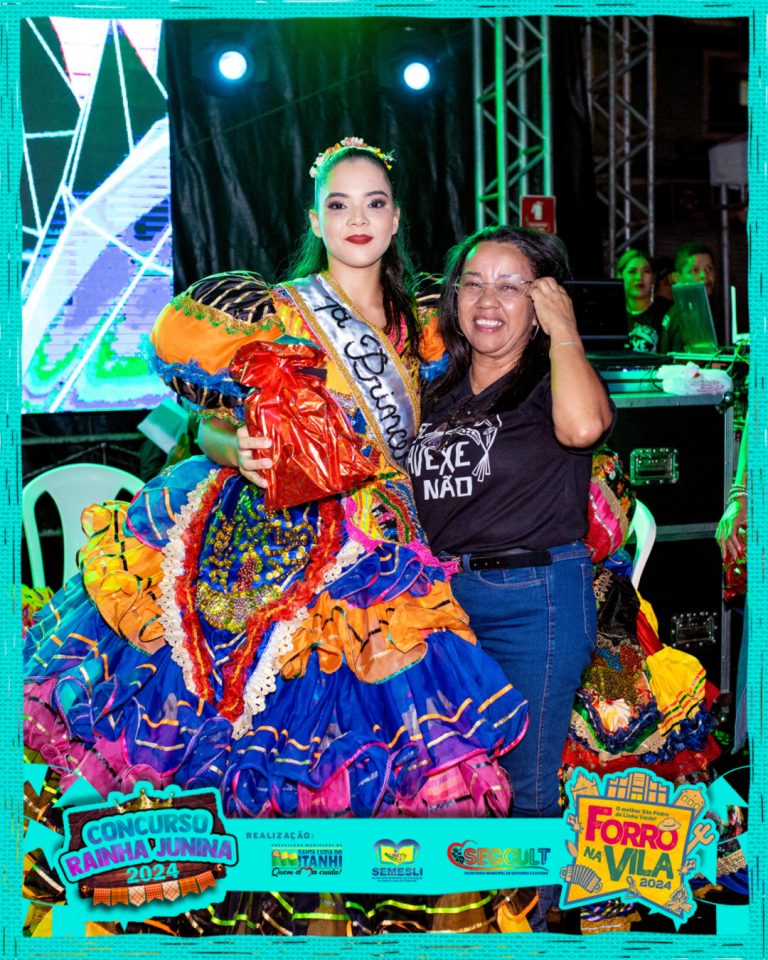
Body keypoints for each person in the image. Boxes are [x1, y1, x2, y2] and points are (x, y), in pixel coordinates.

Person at [23, 139, 529, 934]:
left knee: (364, 750)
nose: (357, 219)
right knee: (230, 734)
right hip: (261, 538)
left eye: (373, 203)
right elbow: (196, 426)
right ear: (315, 220)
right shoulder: (272, 312)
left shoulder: (427, 325)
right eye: (338, 204)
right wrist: (236, 450)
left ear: (396, 218)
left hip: (378, 551)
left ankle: (350, 921)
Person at [408, 224, 615, 821]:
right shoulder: (435, 393)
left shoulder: (554, 380)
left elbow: (583, 429)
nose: (487, 301)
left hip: (533, 599)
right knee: (450, 788)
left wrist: (565, 330)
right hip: (441, 602)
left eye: (509, 287)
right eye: (473, 284)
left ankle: (532, 890)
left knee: (524, 789)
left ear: (541, 302)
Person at [660, 241, 718, 352]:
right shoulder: (684, 317)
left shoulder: (697, 310)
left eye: (709, 268)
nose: (704, 275)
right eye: (695, 270)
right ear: (677, 278)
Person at [616, 248, 669, 352]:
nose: (639, 277)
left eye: (646, 271)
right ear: (620, 276)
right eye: (632, 271)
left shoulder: (666, 312)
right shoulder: (611, 314)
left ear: (653, 278)